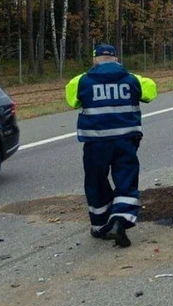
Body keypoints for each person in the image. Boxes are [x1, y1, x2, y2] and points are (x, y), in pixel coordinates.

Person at [65, 44, 157, 247]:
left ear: (95, 59)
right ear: (116, 58)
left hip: (95, 143)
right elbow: (151, 93)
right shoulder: (134, 80)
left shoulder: (80, 81)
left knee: (96, 182)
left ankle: (99, 226)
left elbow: (72, 102)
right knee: (126, 180)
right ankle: (119, 221)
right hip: (126, 142)